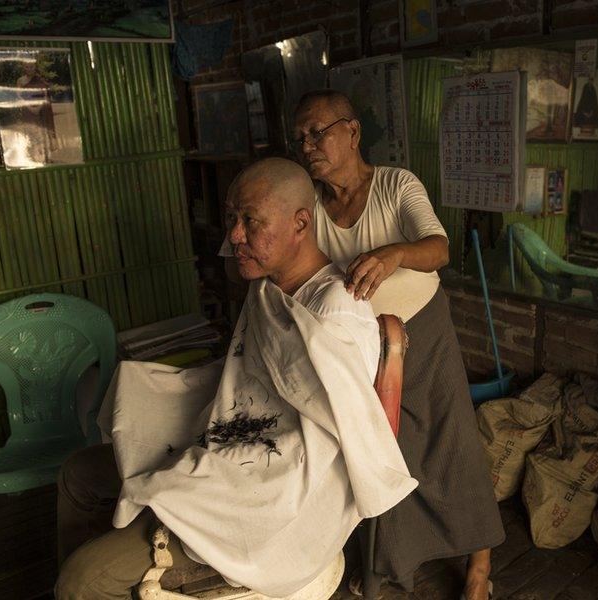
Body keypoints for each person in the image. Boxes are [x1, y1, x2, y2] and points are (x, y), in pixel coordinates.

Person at [55, 158, 416, 599]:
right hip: (224, 449)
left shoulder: (335, 313)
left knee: (82, 581)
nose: (234, 237)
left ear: (301, 222)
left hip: (268, 500)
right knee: (79, 474)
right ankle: (121, 550)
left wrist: (197, 481)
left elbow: (309, 459)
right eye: (232, 219)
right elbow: (247, 386)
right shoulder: (268, 288)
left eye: (250, 221)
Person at [289, 89, 504, 600]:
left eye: (318, 132)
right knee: (381, 452)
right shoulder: (312, 209)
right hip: (364, 347)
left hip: (424, 331)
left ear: (352, 131)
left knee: (454, 442)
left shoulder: (395, 185)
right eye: (300, 138)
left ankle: (479, 568)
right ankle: (389, 564)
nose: (309, 145)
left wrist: (394, 254)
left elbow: (440, 249)